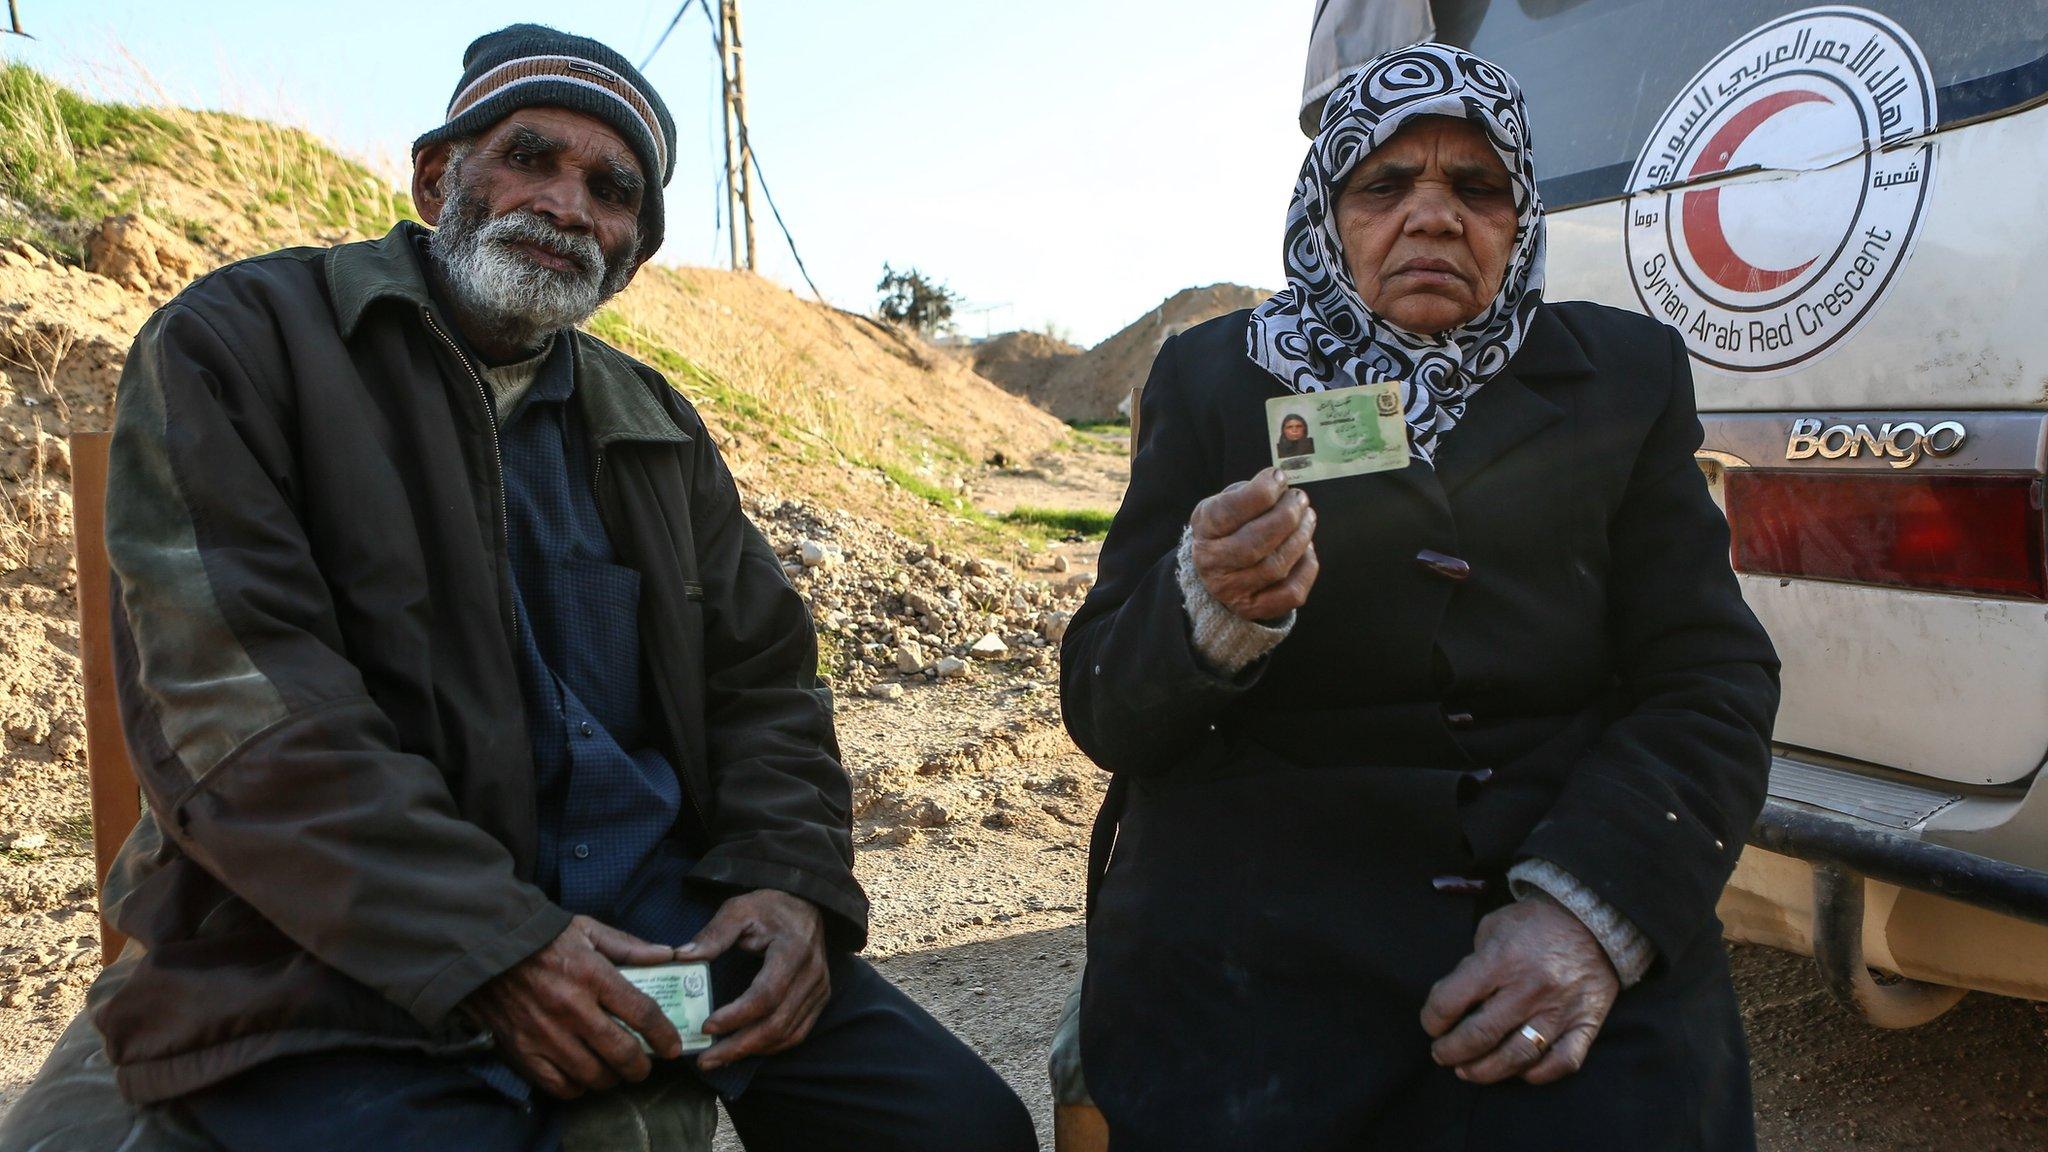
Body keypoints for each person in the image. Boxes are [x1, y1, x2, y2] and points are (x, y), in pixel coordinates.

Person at [7, 24, 1033, 1152]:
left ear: (630, 249)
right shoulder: (243, 345)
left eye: (610, 189)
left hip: (657, 923)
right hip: (332, 940)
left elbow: (766, 685)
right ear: (440, 176)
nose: (564, 204)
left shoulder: (652, 426)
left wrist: (788, 884)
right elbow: (235, 708)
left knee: (956, 1126)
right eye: (529, 157)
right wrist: (496, 947)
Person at [1062, 43, 1779, 1151]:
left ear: (1519, 215)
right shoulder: (1215, 380)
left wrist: (1584, 918)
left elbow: (1709, 676)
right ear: (1326, 214)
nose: (1434, 216)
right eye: (1384, 185)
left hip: (1546, 879)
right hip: (1258, 927)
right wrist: (1205, 608)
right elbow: (1103, 705)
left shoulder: (1622, 379)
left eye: (1475, 187)